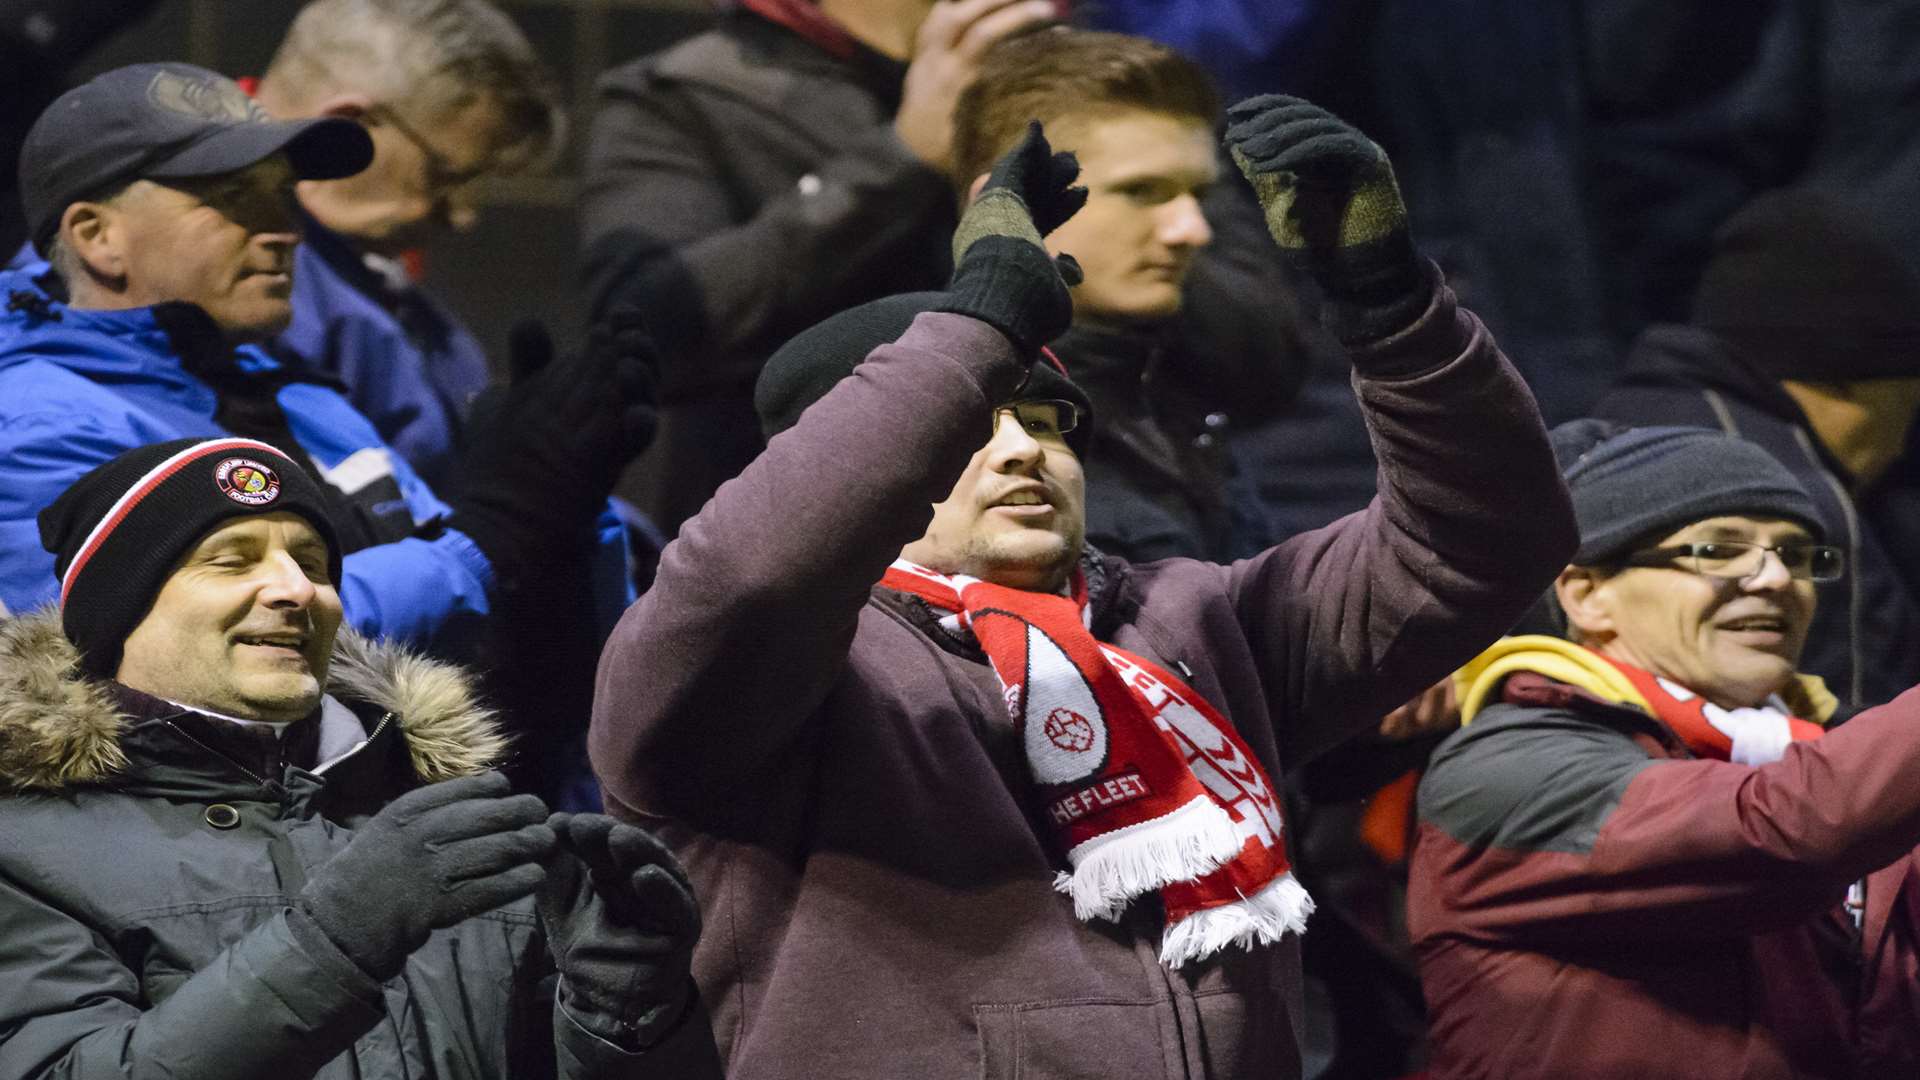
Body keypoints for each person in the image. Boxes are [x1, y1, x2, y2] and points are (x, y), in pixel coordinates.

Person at [589, 98, 1575, 1077]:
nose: (1025, 452)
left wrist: (1390, 302)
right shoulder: (752, 671)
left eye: (1053, 423)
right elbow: (753, 574)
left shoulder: (1196, 620)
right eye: (976, 425)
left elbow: (1484, 537)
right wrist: (981, 320)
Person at [0, 437, 721, 1077]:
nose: (295, 591)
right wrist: (332, 946)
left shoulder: (452, 817)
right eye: (231, 561)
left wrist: (623, 1016)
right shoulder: (25, 848)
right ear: (118, 615)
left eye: (312, 564)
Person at [0, 63, 652, 664]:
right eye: (233, 196)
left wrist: (565, 500)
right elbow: (169, 661)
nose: (286, 229)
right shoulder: (36, 424)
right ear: (97, 236)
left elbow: (480, 601)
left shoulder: (300, 398)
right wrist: (492, 530)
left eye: (283, 195)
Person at [1408, 420, 1920, 1079]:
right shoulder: (1505, 768)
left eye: (1796, 555)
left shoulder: (1850, 758)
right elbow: (1776, 829)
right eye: (1717, 550)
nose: (1773, 580)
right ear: (1587, 594)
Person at [579, 0, 1056, 533]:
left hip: (1044, 492)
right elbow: (647, 329)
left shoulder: (1039, 69)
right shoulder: (685, 93)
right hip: (802, 534)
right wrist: (901, 159)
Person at [949, 28, 1310, 561]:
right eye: (1140, 191)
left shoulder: (1167, 382)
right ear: (1004, 205)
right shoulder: (954, 434)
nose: (1193, 230)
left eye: (1198, 195)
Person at [1594, 188, 1920, 709]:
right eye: (1902, 412)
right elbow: (1859, 739)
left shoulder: (1603, 430)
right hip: (1747, 781)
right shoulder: (1794, 502)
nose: (1900, 447)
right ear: (1838, 380)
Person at [251, 0, 564, 488]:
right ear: (346, 127)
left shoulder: (362, 278)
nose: (461, 216)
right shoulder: (241, 283)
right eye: (441, 176)